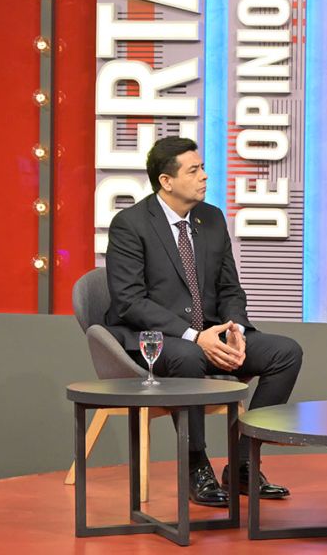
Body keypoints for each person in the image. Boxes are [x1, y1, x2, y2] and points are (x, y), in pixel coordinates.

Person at [105, 136, 303, 507]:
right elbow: (129, 302)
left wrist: (236, 330)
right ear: (166, 181)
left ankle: (243, 462)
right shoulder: (130, 224)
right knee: (189, 356)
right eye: (194, 170)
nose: (204, 176)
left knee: (285, 352)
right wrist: (195, 336)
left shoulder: (210, 218)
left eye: (203, 168)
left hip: (210, 335)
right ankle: (196, 465)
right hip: (154, 340)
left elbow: (230, 288)